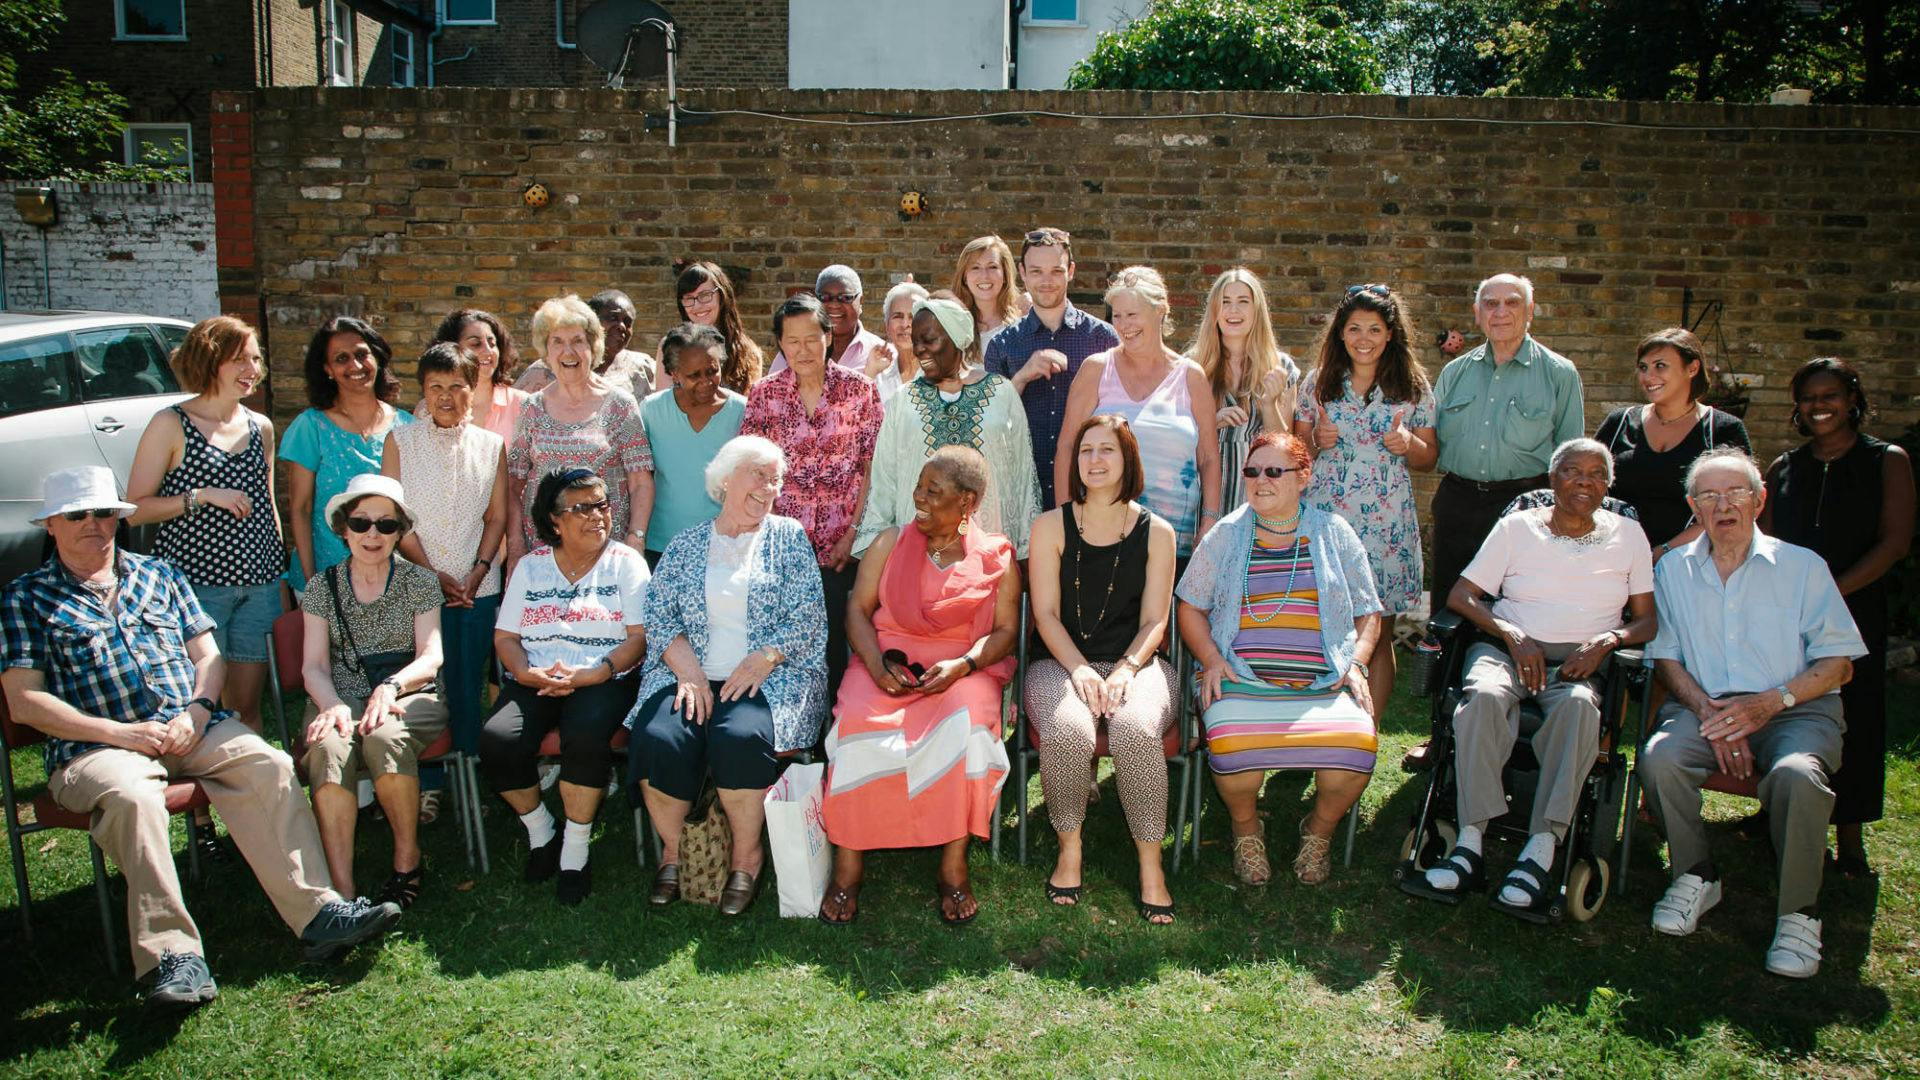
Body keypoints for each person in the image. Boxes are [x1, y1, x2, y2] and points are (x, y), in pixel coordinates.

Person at [0, 467, 400, 1007]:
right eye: (77, 515)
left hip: (189, 725)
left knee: (270, 763)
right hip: (96, 746)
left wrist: (198, 709)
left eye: (104, 513)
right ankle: (173, 958)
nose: (93, 525)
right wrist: (119, 733)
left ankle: (318, 913)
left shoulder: (158, 574)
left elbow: (207, 655)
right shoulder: (25, 597)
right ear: (51, 524)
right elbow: (25, 700)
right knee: (133, 797)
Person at [1639, 449, 1866, 979]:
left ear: (1759, 501)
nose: (1724, 506)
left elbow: (1838, 664)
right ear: (1693, 507)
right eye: (1710, 496)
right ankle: (1695, 874)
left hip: (1795, 706)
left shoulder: (1802, 567)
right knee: (1661, 758)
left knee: (1797, 776)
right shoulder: (1673, 569)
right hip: (1706, 703)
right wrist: (1709, 712)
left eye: (1736, 493)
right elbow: (1666, 656)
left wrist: (1766, 705)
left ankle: (1798, 912)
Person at [1414, 439, 1656, 912]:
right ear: (1552, 479)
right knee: (1482, 696)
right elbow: (1462, 596)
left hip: (1577, 663)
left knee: (1580, 709)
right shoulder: (1516, 526)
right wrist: (1510, 633)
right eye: (1571, 471)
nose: (1583, 481)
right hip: (1507, 650)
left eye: (1595, 474)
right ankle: (1469, 842)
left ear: (1607, 485)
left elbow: (1646, 621)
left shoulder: (1629, 535)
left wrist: (1608, 641)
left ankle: (1542, 846)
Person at [820, 448, 1021, 925]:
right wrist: (872, 664)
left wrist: (965, 664)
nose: (920, 498)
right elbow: (857, 611)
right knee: (855, 727)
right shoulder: (889, 543)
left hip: (961, 672)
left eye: (934, 491)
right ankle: (848, 866)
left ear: (967, 502)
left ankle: (952, 866)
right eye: (919, 486)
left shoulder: (995, 557)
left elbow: (1007, 631)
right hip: (886, 664)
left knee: (969, 730)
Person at [628, 436, 828, 917]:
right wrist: (691, 674)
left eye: (775, 479)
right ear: (725, 480)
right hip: (689, 674)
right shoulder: (686, 543)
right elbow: (658, 616)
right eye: (758, 474)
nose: (769, 488)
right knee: (658, 737)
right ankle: (680, 852)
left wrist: (764, 657)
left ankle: (745, 856)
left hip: (769, 676)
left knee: (739, 736)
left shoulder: (788, 537)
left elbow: (808, 616)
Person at [1175, 431, 1382, 887]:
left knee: (1358, 747)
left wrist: (1355, 663)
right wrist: (1210, 658)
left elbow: (1369, 611)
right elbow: (1190, 605)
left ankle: (1319, 831)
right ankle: (1246, 829)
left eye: (1274, 471)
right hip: (1243, 678)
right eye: (1252, 471)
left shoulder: (1333, 531)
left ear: (1303, 477)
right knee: (1231, 747)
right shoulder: (1226, 535)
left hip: (1324, 682)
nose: (1260, 480)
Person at [1761, 358, 1914, 878]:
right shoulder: (1785, 467)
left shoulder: (1885, 461)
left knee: (1857, 713)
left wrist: (1831, 591)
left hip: (1855, 606)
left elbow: (1895, 542)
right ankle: (1775, 812)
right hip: (1789, 612)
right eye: (1809, 398)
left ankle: (1849, 835)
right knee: (1787, 703)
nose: (1819, 406)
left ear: (1852, 400)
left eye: (1830, 396)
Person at [1026, 416, 1180, 923]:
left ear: (1127, 459)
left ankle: (1150, 865)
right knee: (1070, 729)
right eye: (1085, 450)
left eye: (1106, 450)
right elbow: (1045, 614)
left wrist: (1127, 669)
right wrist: (1080, 670)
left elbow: (1157, 619)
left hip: (1137, 662)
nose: (1094, 460)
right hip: (1059, 662)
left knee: (1136, 728)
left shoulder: (1157, 532)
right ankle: (1070, 847)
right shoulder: (1049, 526)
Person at [481, 468, 650, 904]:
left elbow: (639, 637)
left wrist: (598, 672)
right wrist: (524, 673)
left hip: (603, 678)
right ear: (554, 520)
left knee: (585, 735)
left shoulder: (626, 562)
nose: (597, 516)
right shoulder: (531, 567)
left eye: (602, 505)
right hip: (536, 676)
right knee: (498, 740)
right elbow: (506, 638)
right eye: (582, 508)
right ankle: (543, 832)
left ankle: (575, 852)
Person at [125, 316, 283, 738]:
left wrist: (280, 574)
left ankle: (247, 795)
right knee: (195, 704)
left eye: (255, 359)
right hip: (194, 589)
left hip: (259, 586)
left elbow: (268, 505)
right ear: (209, 361)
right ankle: (196, 805)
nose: (252, 369)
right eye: (239, 360)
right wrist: (200, 496)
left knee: (247, 706)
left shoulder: (260, 426)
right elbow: (135, 509)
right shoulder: (170, 424)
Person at [299, 474, 448, 910]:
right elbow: (313, 666)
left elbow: (431, 656)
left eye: (386, 525)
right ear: (343, 527)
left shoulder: (419, 582)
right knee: (328, 745)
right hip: (338, 695)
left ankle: (407, 859)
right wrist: (332, 707)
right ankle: (342, 892)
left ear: (400, 532)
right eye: (362, 523)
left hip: (409, 693)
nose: (373, 534)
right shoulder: (321, 587)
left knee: (385, 736)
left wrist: (391, 687)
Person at [1294, 283, 1438, 709]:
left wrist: (1409, 443)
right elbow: (1297, 453)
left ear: (1390, 333)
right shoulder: (1318, 383)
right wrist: (1317, 441)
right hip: (1327, 521)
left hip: (1386, 527)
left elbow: (1430, 458)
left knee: (1378, 631)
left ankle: (1365, 735)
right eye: (1354, 328)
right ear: (1340, 332)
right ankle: (1311, 734)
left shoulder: (1412, 384)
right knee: (1319, 628)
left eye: (1374, 330)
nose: (1363, 339)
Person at [741, 295, 883, 697]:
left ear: (828, 336)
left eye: (811, 338)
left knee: (840, 639)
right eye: (792, 341)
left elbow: (873, 466)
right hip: (784, 546)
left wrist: (854, 533)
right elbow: (753, 470)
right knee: (790, 641)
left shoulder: (860, 391)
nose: (802, 350)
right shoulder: (765, 395)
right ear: (780, 345)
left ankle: (835, 738)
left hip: (845, 545)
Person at [381, 344, 508, 768]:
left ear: (474, 389)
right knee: (425, 683)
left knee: (468, 681)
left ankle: (471, 769)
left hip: (477, 587)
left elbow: (496, 516)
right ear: (422, 390)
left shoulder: (491, 446)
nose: (446, 397)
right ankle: (429, 780)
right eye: (436, 386)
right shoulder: (400, 440)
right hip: (417, 583)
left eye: (457, 386)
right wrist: (432, 574)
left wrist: (479, 570)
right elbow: (395, 518)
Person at [1429, 274, 1585, 606]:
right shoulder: (1454, 373)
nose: (1500, 311)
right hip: (1458, 502)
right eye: (1490, 303)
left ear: (1530, 311)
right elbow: (1431, 444)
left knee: (1516, 606)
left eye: (1512, 302)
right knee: (1448, 607)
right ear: (1477, 313)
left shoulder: (1560, 373)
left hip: (1524, 504)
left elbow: (1571, 458)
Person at [854, 292, 1041, 558]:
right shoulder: (904, 400)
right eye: (916, 342)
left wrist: (1024, 552)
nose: (919, 350)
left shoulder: (1002, 392)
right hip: (916, 554)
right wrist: (876, 552)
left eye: (929, 340)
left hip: (988, 552)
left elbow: (1023, 477)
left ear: (958, 337)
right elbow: (885, 482)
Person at [1055, 266, 1221, 557]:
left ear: (1160, 310)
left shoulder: (1190, 376)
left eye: (1132, 314)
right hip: (1101, 537)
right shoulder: (1096, 370)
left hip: (1175, 543)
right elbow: (1068, 447)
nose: (1123, 325)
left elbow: (1208, 458)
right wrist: (1066, 521)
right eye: (1117, 315)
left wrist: (1209, 520)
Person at [506, 294, 654, 572]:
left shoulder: (621, 404)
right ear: (546, 351)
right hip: (543, 551)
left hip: (607, 551)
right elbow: (514, 483)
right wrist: (516, 547)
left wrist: (635, 540)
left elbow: (640, 482)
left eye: (577, 341)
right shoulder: (531, 407)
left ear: (593, 346)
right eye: (557, 342)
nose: (568, 352)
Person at [984, 227, 1119, 508]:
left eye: (1056, 271)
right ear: (1022, 273)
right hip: (1020, 494)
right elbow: (989, 422)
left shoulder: (1104, 338)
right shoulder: (1003, 344)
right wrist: (1022, 377)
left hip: (1089, 493)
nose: (1046, 281)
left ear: (1070, 270)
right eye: (1036, 271)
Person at [280, 315, 415, 591]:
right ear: (327, 369)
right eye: (341, 359)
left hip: (390, 582)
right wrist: (310, 582)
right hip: (324, 577)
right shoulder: (311, 427)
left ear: (376, 357)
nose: (354, 365)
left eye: (362, 354)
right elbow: (301, 509)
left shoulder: (406, 426)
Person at [1593, 327, 1751, 555]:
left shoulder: (1721, 430)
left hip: (1691, 563)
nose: (1648, 377)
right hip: (1614, 558)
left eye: (1660, 366)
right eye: (1643, 368)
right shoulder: (1619, 423)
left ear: (1692, 368)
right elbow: (1589, 488)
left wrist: (1663, 553)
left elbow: (1735, 508)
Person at [1187, 268, 1299, 513]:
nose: (1233, 311)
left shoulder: (1280, 367)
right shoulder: (1190, 366)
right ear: (1214, 310)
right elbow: (1176, 441)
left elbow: (1285, 449)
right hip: (1200, 496)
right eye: (1225, 302)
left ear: (1257, 310)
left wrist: (1269, 405)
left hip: (1258, 494)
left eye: (1243, 302)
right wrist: (1210, 424)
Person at [641, 323, 748, 566]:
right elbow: (640, 477)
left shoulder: (742, 411)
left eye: (712, 371)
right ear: (674, 374)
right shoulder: (652, 410)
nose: (706, 381)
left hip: (724, 542)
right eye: (693, 375)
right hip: (662, 543)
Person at [516, 289, 656, 399]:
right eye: (613, 318)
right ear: (592, 322)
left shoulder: (643, 366)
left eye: (628, 322)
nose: (622, 326)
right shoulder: (544, 369)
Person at [428, 308, 529, 446]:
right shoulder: (429, 407)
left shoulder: (523, 404)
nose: (488, 351)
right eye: (476, 344)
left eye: (492, 343)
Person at [768, 265, 888, 374]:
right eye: (825, 297)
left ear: (860, 302)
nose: (834, 305)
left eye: (845, 297)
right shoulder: (794, 354)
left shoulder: (882, 354)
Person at [675, 261, 765, 392]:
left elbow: (751, 407)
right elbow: (663, 407)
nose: (697, 306)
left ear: (722, 296)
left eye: (705, 295)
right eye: (689, 298)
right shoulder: (671, 347)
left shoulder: (748, 353)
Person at [951, 235, 1027, 350]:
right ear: (964, 277)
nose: (984, 276)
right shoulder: (950, 324)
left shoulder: (1023, 322)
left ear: (1005, 274)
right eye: (975, 268)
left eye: (992, 267)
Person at [868, 279, 928, 407]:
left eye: (913, 317)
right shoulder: (878, 377)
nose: (905, 324)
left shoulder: (943, 375)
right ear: (887, 326)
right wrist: (869, 374)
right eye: (898, 316)